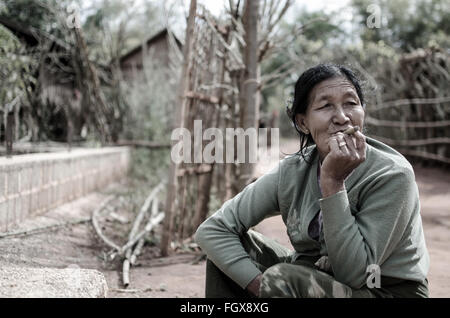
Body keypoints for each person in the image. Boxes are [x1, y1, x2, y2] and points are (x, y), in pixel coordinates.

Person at [194, 63, 430, 298]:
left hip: (383, 290)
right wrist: (256, 284)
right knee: (226, 254)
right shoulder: (294, 170)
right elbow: (214, 229)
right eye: (326, 106)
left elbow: (355, 276)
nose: (342, 117)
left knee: (283, 278)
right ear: (302, 122)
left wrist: (333, 183)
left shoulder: (391, 175)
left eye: (351, 103)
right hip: (319, 275)